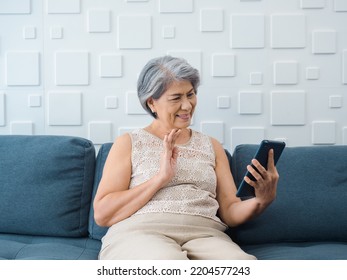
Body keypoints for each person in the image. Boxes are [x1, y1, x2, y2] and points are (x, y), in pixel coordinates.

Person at [93, 55, 279, 260]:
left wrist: (262, 200)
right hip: (142, 233)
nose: (187, 105)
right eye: (176, 98)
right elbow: (103, 214)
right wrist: (160, 179)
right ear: (151, 102)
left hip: (206, 235)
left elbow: (230, 211)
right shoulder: (129, 142)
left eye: (190, 94)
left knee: (243, 265)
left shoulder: (212, 146)